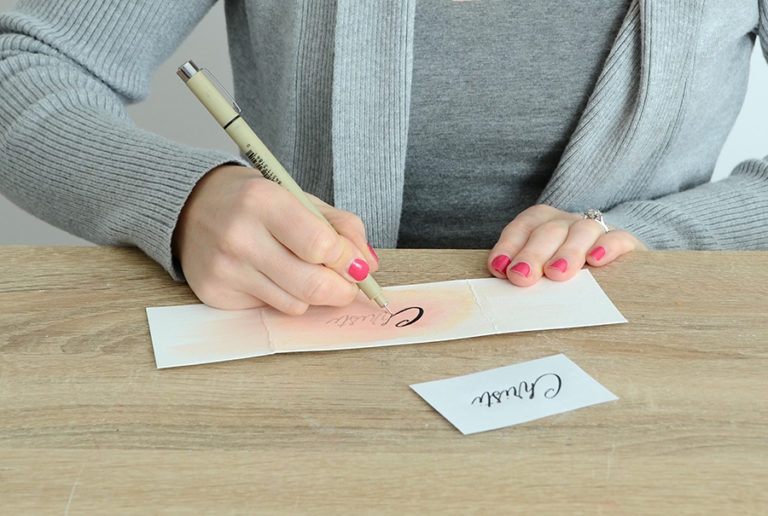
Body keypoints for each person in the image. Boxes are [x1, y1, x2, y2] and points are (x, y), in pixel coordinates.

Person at [1, 1, 766, 316]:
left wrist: (663, 235)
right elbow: (19, 58)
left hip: (661, 364)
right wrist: (182, 197)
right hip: (310, 361)